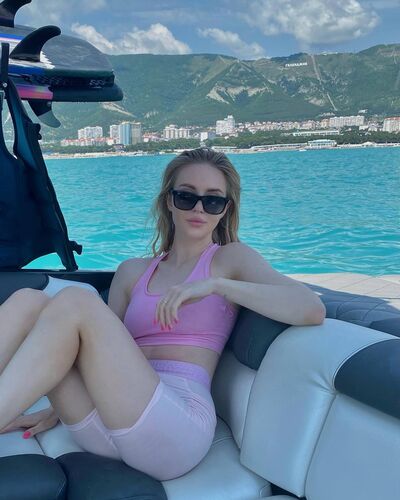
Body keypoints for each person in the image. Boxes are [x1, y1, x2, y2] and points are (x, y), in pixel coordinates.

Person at [0, 147, 325, 480]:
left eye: (213, 201)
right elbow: (96, 353)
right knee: (28, 300)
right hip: (106, 422)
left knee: (76, 300)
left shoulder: (230, 260)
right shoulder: (132, 271)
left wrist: (216, 285)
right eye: (186, 196)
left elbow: (310, 308)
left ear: (225, 209)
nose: (199, 208)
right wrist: (55, 410)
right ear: (169, 200)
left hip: (175, 428)